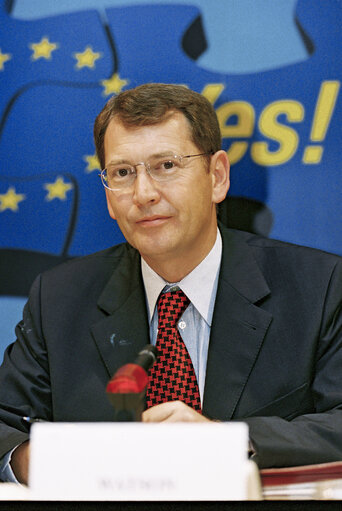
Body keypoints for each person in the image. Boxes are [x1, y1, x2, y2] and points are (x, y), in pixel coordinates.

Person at [0, 83, 342, 485]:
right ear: (109, 196)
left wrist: (229, 440)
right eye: (123, 173)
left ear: (216, 176)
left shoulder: (318, 287)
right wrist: (38, 460)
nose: (143, 194)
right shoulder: (58, 299)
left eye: (166, 166)